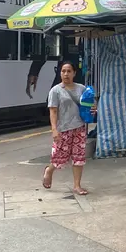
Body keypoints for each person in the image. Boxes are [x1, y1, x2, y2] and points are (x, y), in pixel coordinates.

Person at [42, 61, 89, 196]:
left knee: (79, 157)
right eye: (63, 71)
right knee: (59, 156)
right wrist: (54, 129)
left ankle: (77, 186)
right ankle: (49, 170)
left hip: (79, 127)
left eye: (69, 71)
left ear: (74, 73)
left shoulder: (82, 89)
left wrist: (92, 108)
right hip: (63, 129)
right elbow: (53, 111)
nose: (66, 74)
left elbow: (88, 105)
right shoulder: (55, 91)